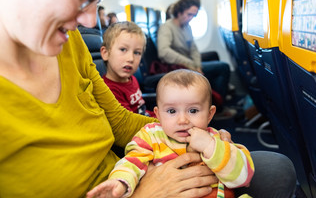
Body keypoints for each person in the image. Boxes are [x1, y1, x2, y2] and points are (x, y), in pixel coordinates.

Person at [0, 0, 297, 197]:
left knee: (275, 169)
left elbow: (120, 123)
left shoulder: (68, 47)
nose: (87, 19)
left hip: (128, 172)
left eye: (95, 0)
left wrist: (194, 130)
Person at [86, 69, 255, 198]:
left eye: (193, 110)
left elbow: (242, 178)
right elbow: (131, 163)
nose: (182, 120)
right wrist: (120, 182)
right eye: (172, 111)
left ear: (210, 114)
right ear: (158, 115)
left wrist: (211, 147)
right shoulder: (150, 136)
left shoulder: (216, 139)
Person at [157, 0, 235, 117]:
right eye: (189, 14)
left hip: (188, 65)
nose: (191, 18)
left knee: (217, 62)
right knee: (223, 67)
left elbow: (193, 49)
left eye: (194, 15)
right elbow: (164, 52)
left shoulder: (186, 27)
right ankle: (218, 109)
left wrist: (197, 66)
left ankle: (214, 103)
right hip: (176, 66)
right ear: (180, 11)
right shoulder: (167, 27)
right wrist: (191, 65)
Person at [101, 21, 155, 117]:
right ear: (105, 53)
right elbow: (129, 122)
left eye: (137, 53)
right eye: (123, 50)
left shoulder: (132, 79)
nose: (131, 59)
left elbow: (142, 110)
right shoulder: (108, 90)